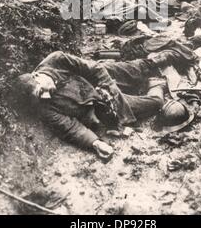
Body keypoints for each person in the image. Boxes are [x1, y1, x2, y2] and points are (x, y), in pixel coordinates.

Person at [18, 51, 190, 160]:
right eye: (40, 97)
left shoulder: (56, 60)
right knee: (155, 103)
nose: (46, 96)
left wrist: (113, 93)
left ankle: (169, 56)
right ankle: (156, 84)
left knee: (136, 69)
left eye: (42, 91)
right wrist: (95, 143)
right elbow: (70, 128)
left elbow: (94, 69)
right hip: (101, 104)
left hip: (101, 77)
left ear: (36, 76)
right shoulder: (45, 107)